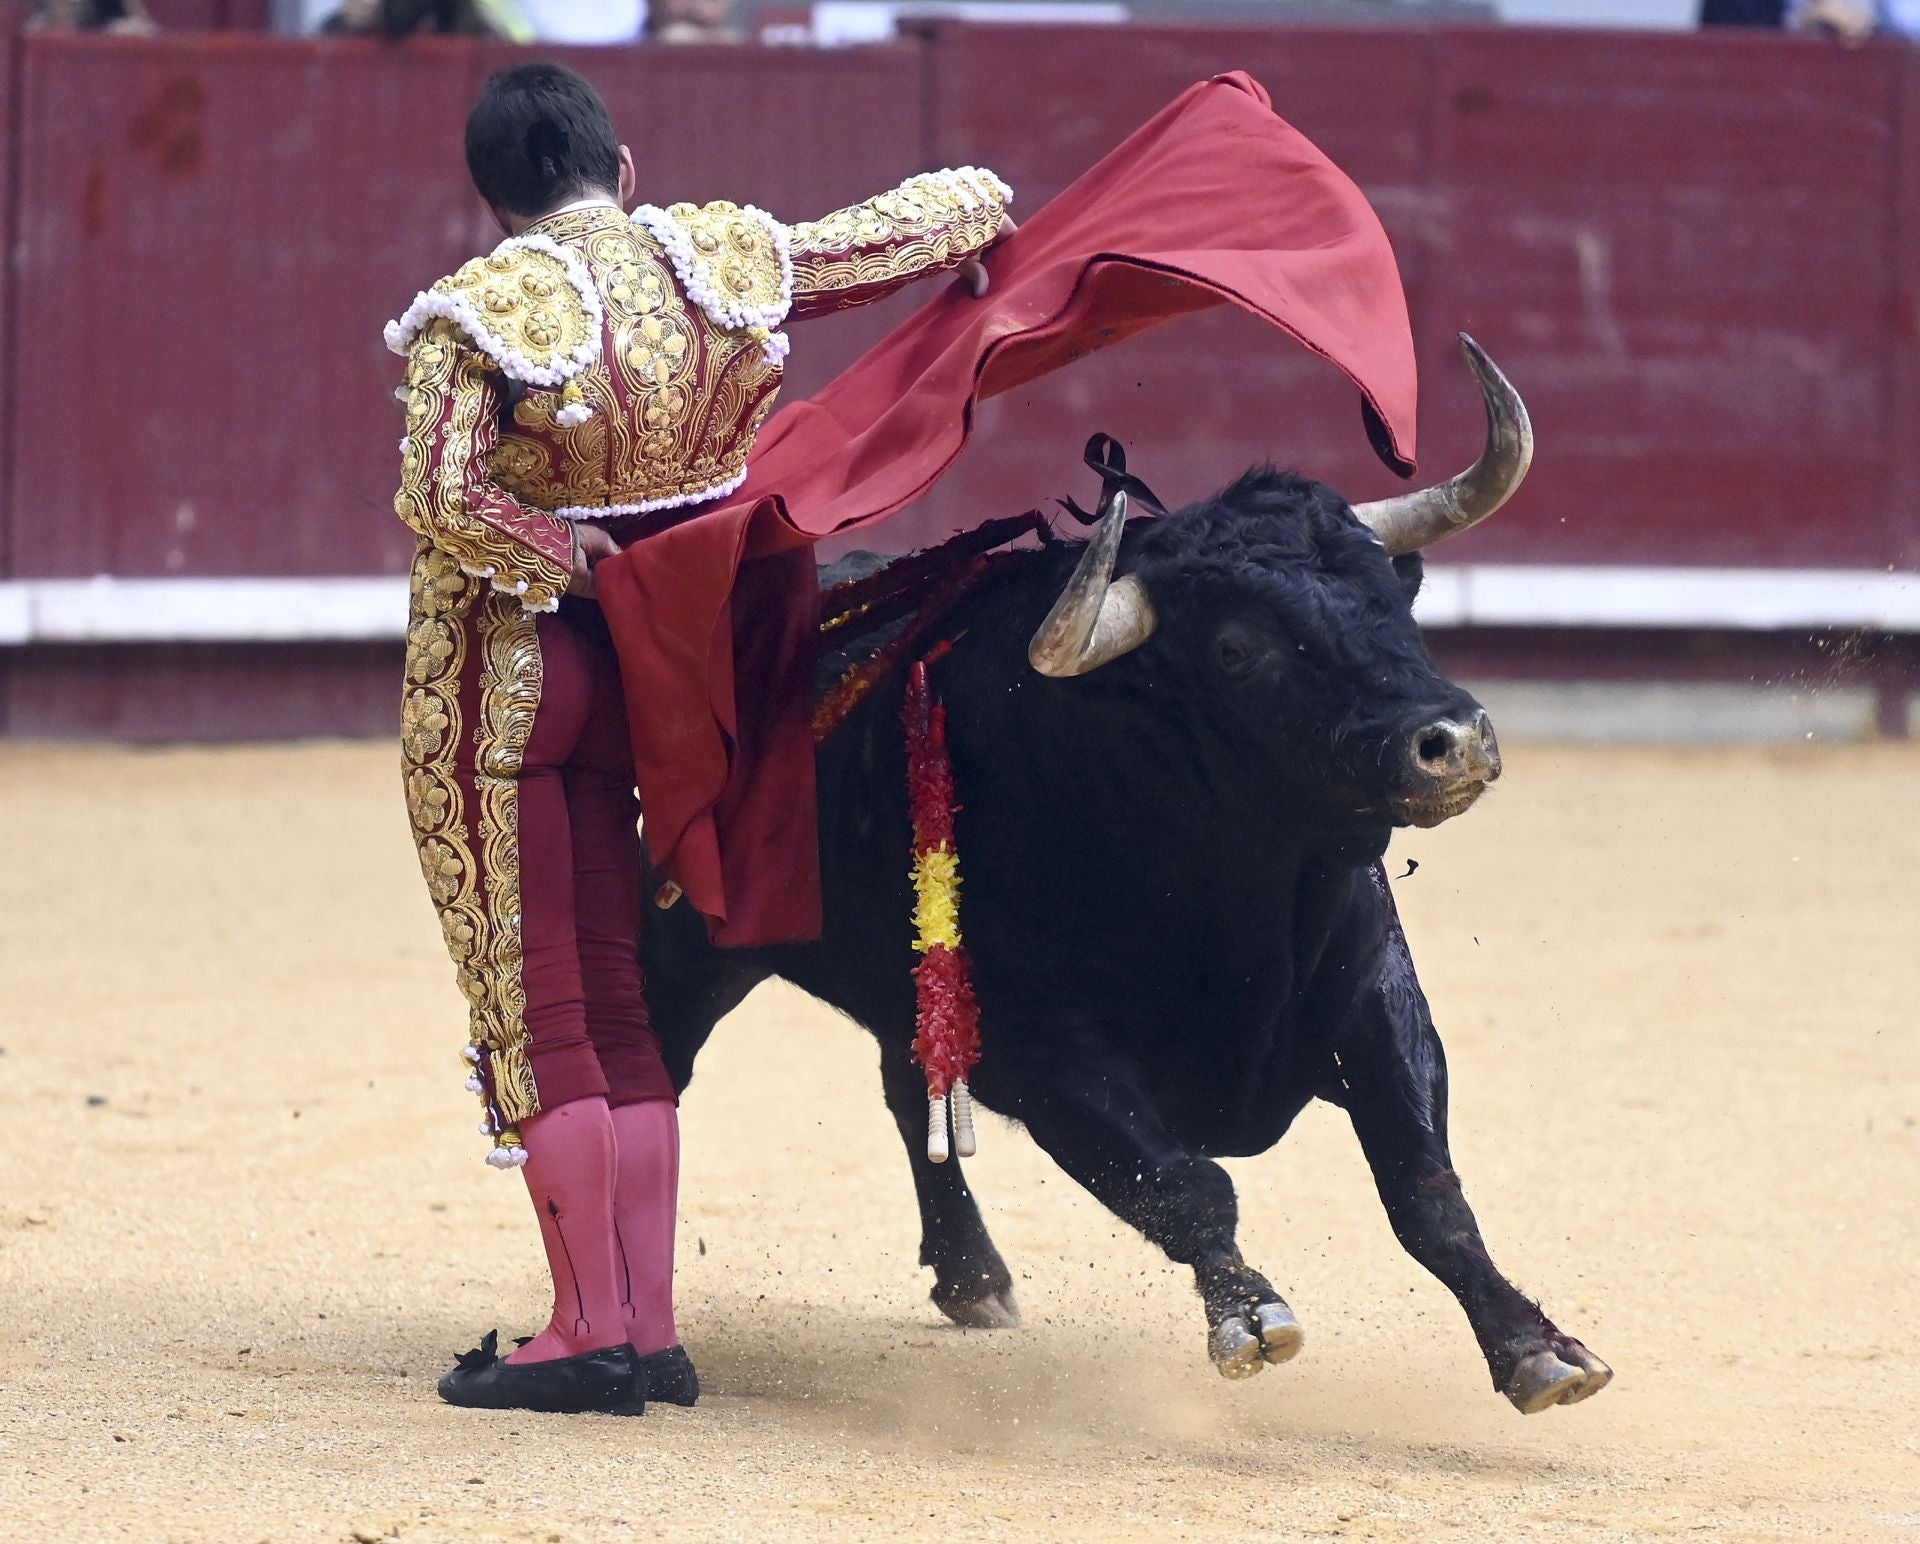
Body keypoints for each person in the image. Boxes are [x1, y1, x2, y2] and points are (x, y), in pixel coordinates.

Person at [387, 61, 1011, 1416]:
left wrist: (570, 551)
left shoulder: (478, 312)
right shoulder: (721, 258)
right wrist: (991, 219)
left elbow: (440, 493)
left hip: (517, 680)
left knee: (544, 1001)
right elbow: (924, 224)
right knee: (617, 994)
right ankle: (650, 1330)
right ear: (622, 171)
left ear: (492, 202)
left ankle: (581, 1333)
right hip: (666, 681)